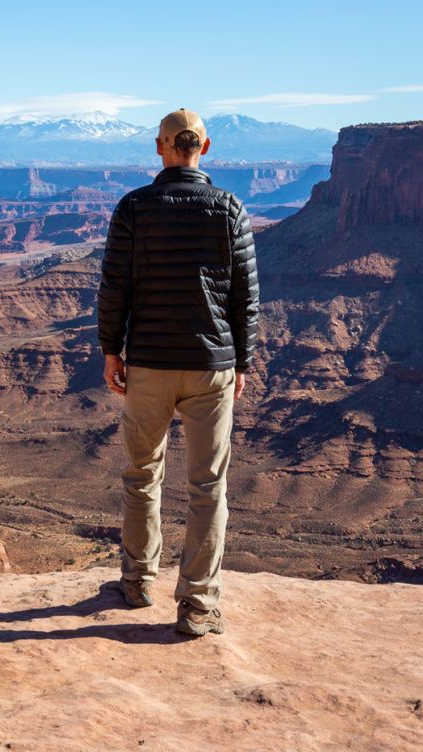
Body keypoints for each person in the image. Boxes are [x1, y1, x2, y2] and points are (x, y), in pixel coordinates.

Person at [96, 108, 259, 637]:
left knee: (142, 475)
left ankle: (137, 581)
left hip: (148, 363)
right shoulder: (229, 208)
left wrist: (111, 351)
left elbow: (114, 287)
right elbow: (245, 298)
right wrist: (242, 361)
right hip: (211, 367)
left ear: (159, 146)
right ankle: (197, 605)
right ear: (204, 148)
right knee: (208, 487)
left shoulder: (134, 207)